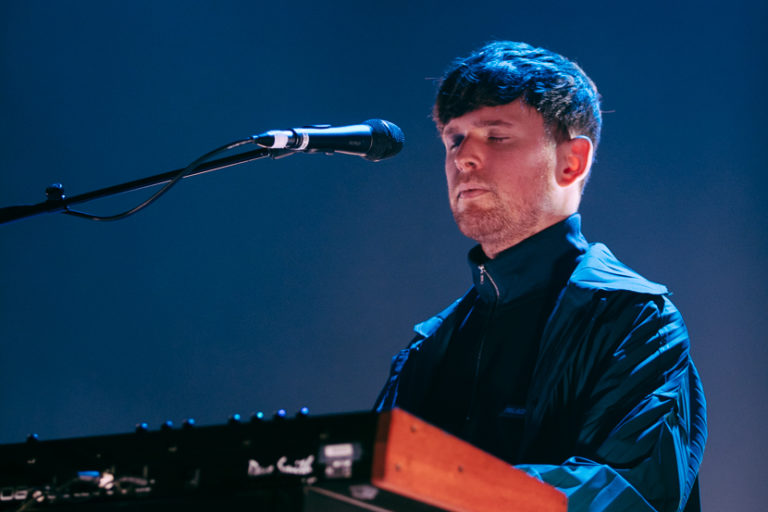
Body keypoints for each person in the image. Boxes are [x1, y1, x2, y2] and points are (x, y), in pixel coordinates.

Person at [374, 41, 706, 512]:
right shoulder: (429, 347)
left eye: (496, 136)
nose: (463, 158)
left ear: (571, 161)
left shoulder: (636, 320)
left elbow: (625, 494)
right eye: (454, 139)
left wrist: (439, 486)